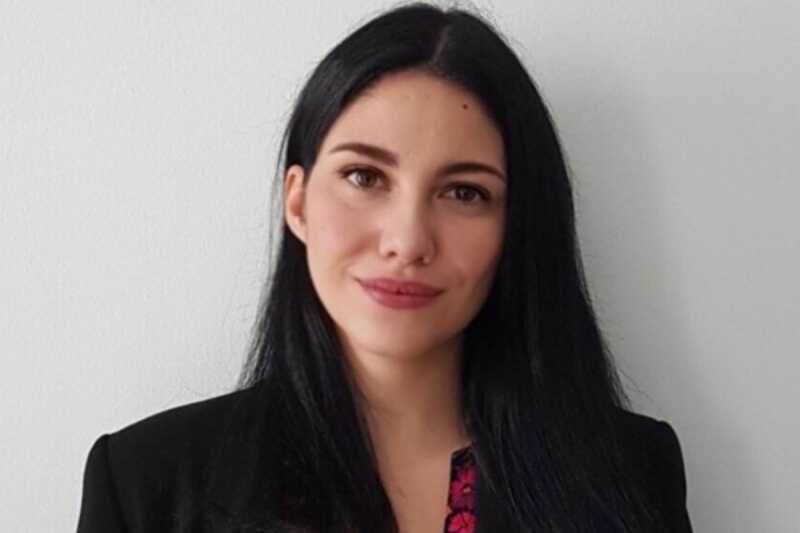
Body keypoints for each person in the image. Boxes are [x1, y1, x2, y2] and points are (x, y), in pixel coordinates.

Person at [75, 3, 694, 532]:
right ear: (298, 202)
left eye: (464, 192)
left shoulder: (633, 472)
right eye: (364, 177)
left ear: (517, 226)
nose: (407, 241)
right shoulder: (146, 482)